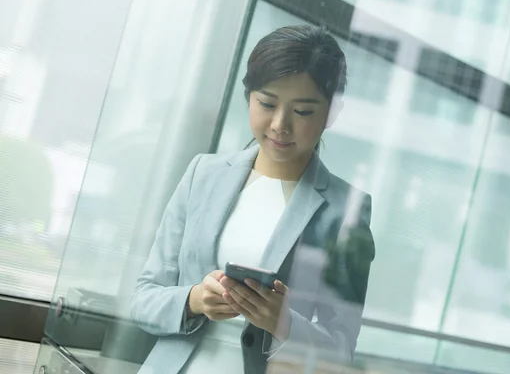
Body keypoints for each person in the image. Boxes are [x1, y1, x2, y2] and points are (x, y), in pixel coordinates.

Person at [131, 25, 375, 374]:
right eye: (266, 103)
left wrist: (284, 323)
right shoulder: (204, 173)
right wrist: (194, 299)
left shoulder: (346, 211)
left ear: (331, 113)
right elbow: (143, 298)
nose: (279, 125)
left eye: (303, 111)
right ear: (249, 97)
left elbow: (340, 352)